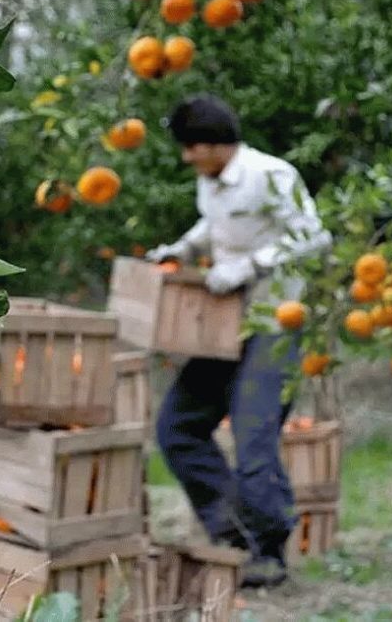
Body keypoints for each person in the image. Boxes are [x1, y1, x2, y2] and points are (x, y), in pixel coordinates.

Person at [147, 95, 331, 587]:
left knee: (253, 439)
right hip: (223, 324)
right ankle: (232, 533)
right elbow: (217, 226)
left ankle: (268, 553)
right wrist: (182, 248)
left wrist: (248, 267)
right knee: (177, 428)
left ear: (214, 144)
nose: (187, 158)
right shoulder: (210, 185)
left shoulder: (272, 175)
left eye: (191, 148)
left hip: (272, 324)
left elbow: (313, 237)